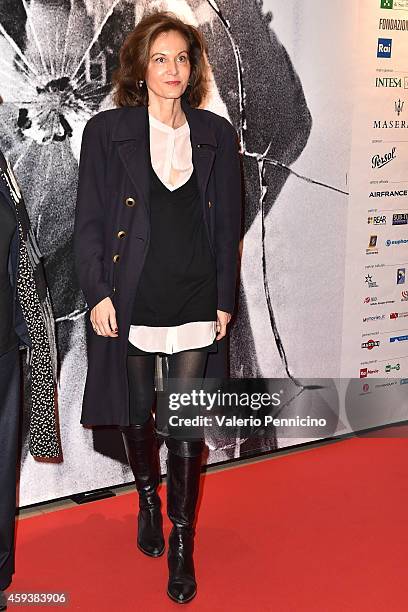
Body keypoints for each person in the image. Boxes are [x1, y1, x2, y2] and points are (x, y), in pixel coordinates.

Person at [73, 10, 242, 604]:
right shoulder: (107, 131)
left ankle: (182, 542)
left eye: (183, 58)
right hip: (135, 296)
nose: (174, 69)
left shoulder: (217, 133)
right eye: (160, 58)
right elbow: (89, 222)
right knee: (137, 414)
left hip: (196, 295)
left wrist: (225, 299)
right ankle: (148, 495)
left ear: (193, 68)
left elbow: (229, 229)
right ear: (141, 69)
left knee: (186, 426)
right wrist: (96, 292)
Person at [0, 147, 60, 610]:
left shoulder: (2, 167)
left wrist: (34, 341)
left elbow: (23, 262)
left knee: (0, 475)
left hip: (2, 349)